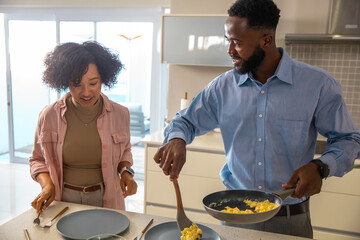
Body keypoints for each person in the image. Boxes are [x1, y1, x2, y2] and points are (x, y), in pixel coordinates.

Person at [154, 0, 360, 238]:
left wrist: (321, 167)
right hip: (235, 219)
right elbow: (185, 121)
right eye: (228, 40)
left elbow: (349, 140)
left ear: (266, 41)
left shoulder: (318, 85)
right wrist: (177, 139)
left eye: (237, 42)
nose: (230, 50)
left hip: (290, 220)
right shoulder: (222, 87)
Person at [29, 41, 137, 213]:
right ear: (65, 81)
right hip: (62, 199)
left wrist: (126, 172)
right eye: (77, 84)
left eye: (93, 83)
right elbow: (37, 160)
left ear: (103, 79)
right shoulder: (48, 116)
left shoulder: (120, 114)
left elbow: (125, 150)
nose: (86, 92)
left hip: (106, 198)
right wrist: (47, 186)